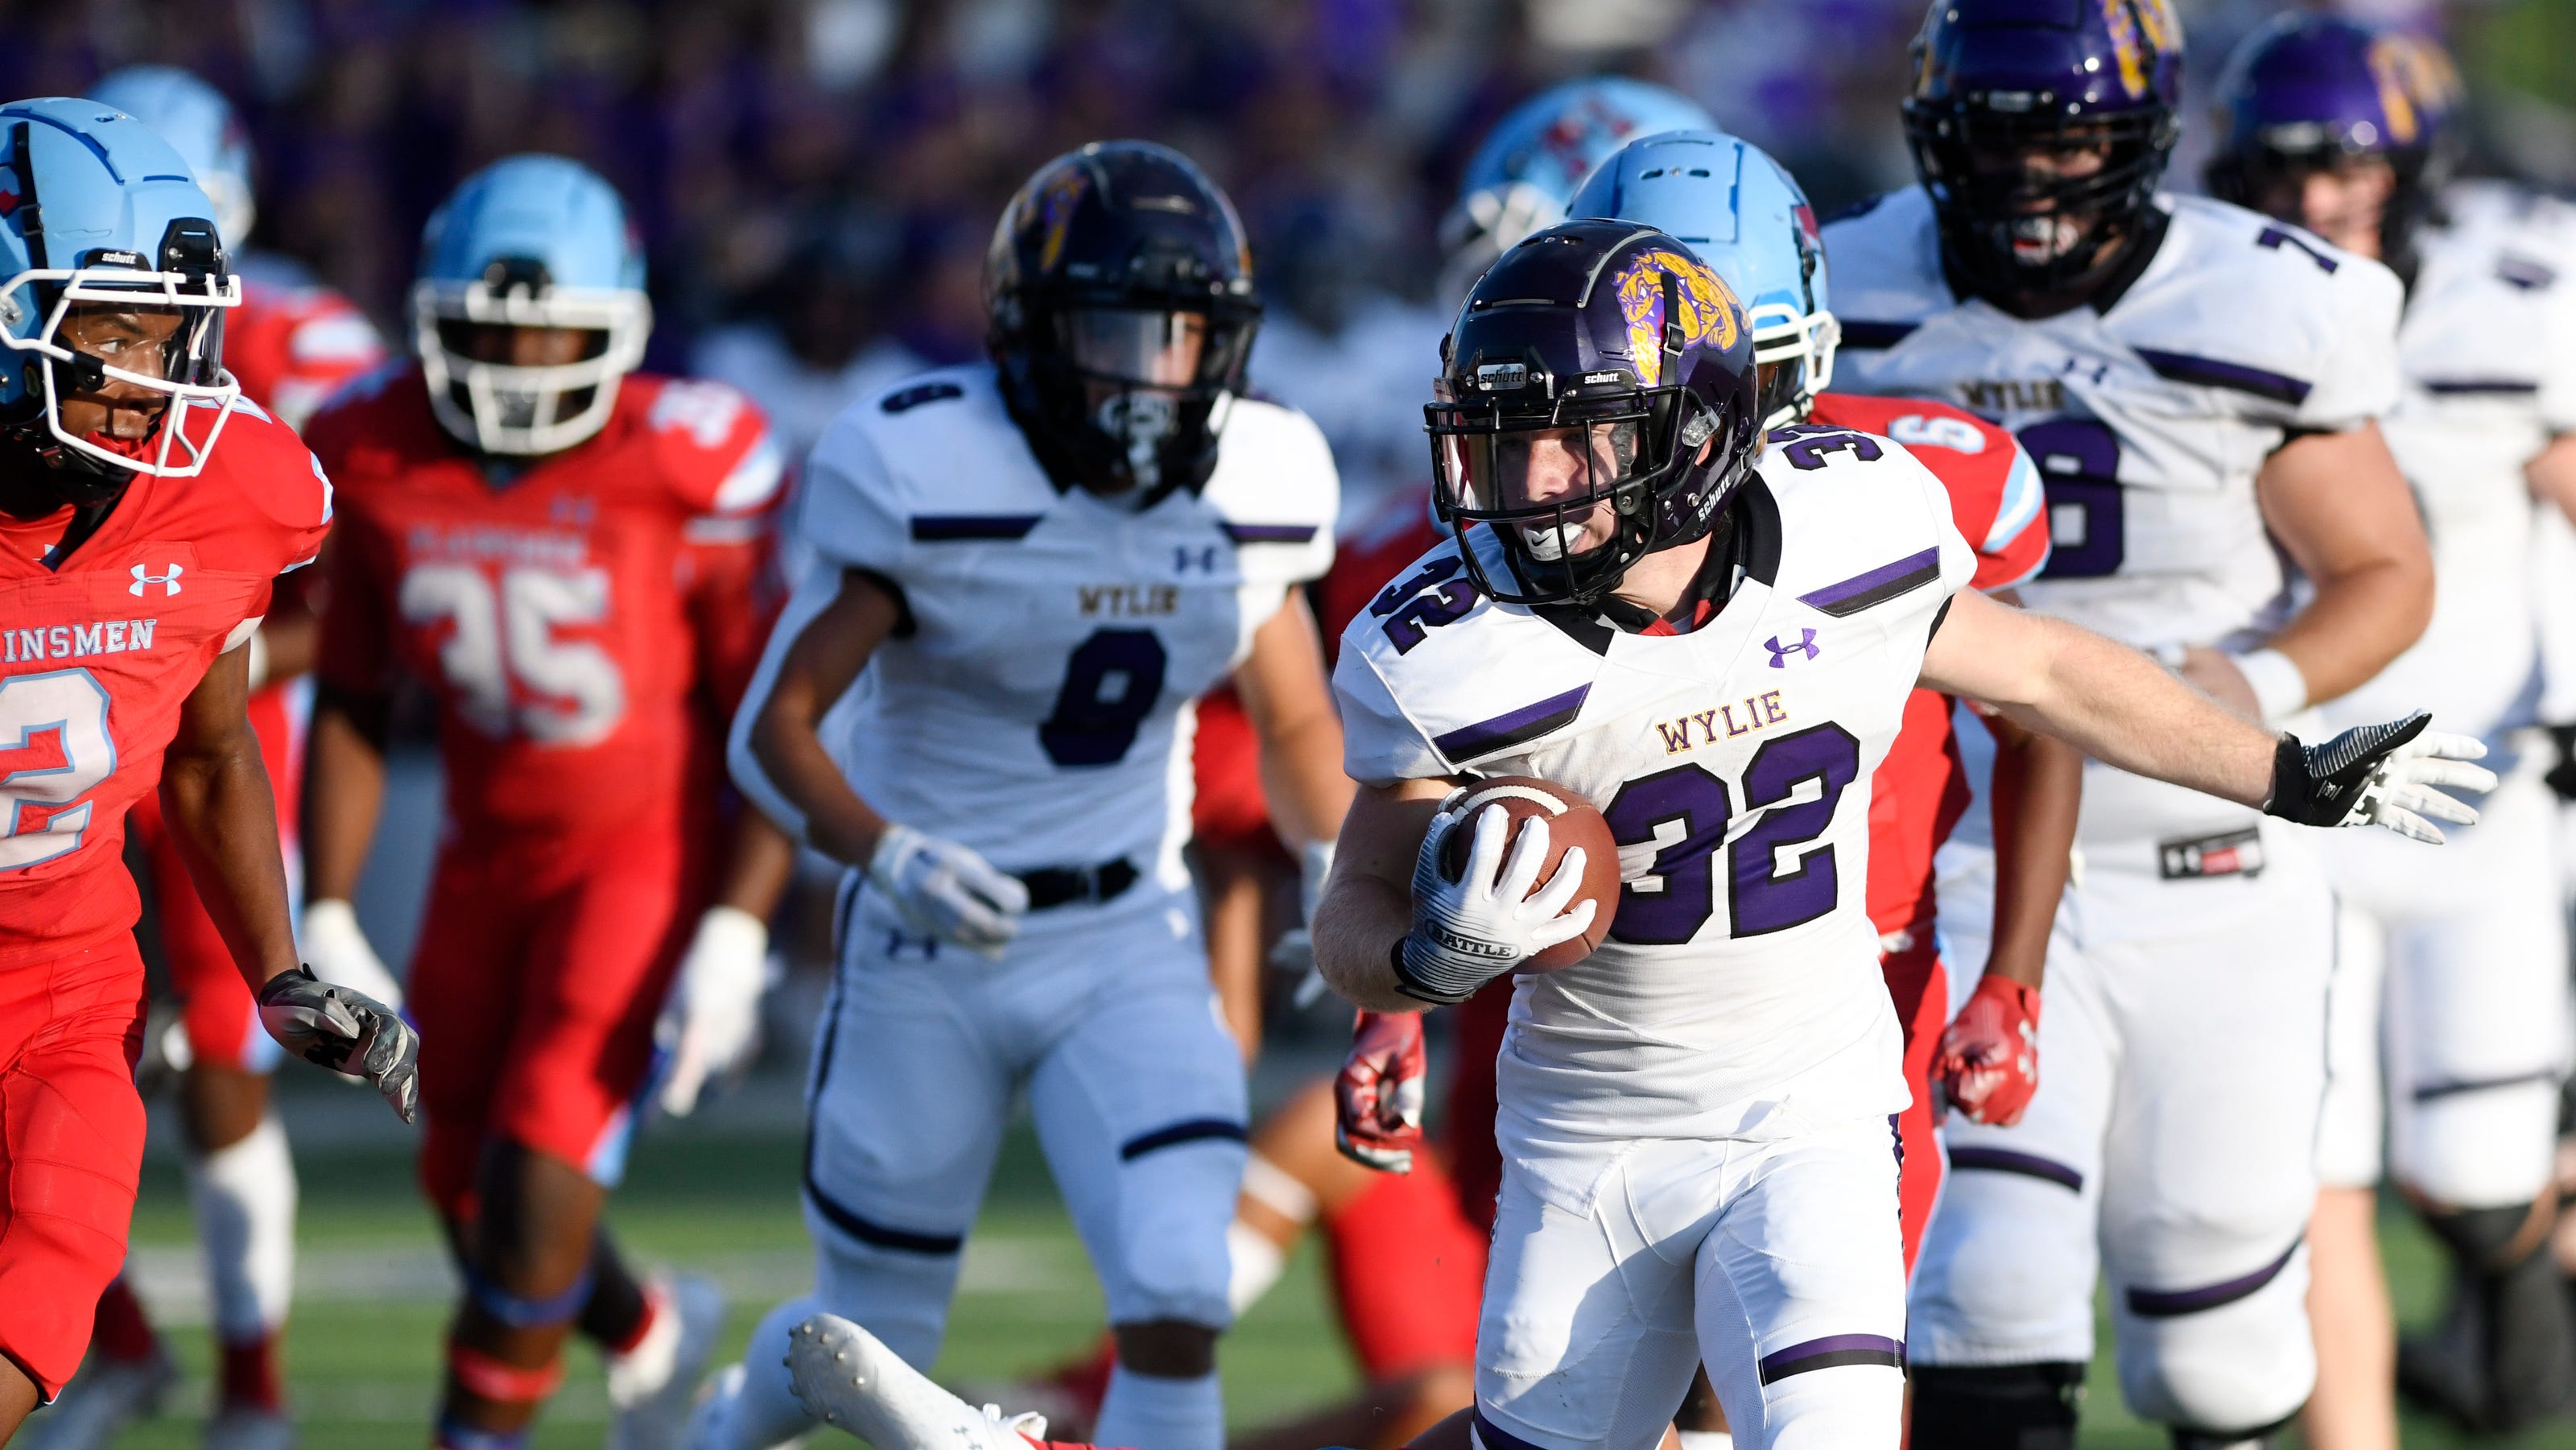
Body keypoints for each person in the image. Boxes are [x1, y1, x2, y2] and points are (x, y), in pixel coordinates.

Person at [803, 217, 2487, 1450]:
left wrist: (2281, 770)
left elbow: (2047, 671)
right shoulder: (1439, 641)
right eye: (1498, 431)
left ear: (1691, 427)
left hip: (1814, 1116)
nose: (1523, 476)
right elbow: (1351, 905)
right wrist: (1423, 958)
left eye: (1566, 431)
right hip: (1585, 1148)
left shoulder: (1859, 529)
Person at [1823, 2, 2440, 1444]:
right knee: (1985, 1286)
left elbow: (2386, 567)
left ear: (2148, 142)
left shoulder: (2269, 299)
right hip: (1959, 855)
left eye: (2076, 142)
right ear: (1935, 141)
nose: (2035, 183)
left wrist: (2262, 686)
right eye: (1999, 145)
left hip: (2211, 858)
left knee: (2215, 1356)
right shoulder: (1846, 286)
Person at [694, 140, 1352, 1450]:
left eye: (1181, 336)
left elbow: (1290, 713)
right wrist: (885, 855)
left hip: (1129, 934)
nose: (1152, 374)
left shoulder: (1259, 479)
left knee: (1183, 1286)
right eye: (1116, 333)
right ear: (1030, 333)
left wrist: (1338, 854)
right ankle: (710, 1431)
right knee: (872, 1331)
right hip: (927, 941)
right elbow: (773, 727)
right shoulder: (925, 469)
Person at [297, 155, 790, 1450]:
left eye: (551, 330)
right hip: (478, 858)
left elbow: (770, 716)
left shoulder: (688, 456)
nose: (519, 361)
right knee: (461, 1182)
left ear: (619, 329)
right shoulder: (369, 444)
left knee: (533, 1169)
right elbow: (348, 692)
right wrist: (329, 900)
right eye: (488, 330)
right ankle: (644, 1327)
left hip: (637, 853)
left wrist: (740, 922)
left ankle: (474, 1435)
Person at [0, 97, 412, 1446]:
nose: (159, 374)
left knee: (42, 1294)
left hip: (63, 992)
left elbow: (211, 748)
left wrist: (276, 967)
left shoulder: (233, 485)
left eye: (172, 328)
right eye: (113, 329)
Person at [2203, 16, 2576, 1444]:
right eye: (2285, 172)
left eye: (2346, 172)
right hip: (2300, 796)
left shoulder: (2505, 305)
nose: (2312, 205)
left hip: (2483, 798)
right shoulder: (2206, 303)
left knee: (2470, 1180)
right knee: (2317, 1176)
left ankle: (2523, 1266)